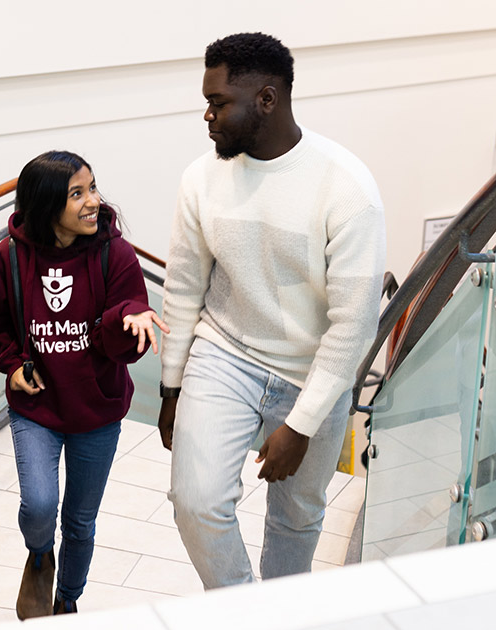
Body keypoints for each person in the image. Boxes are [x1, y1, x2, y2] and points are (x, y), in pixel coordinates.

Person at [158, 33, 386, 589]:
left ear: (267, 99)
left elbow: (354, 325)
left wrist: (302, 423)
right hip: (224, 354)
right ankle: (243, 614)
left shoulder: (347, 188)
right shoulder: (201, 179)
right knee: (196, 502)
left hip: (313, 374)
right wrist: (171, 388)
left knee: (297, 519)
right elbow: (185, 286)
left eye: (219, 103)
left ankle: (284, 621)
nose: (207, 116)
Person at [0, 151, 166, 619]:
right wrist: (14, 364)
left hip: (96, 412)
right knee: (39, 505)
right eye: (77, 194)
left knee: (80, 522)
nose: (93, 202)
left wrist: (129, 318)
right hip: (36, 409)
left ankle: (67, 598)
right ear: (46, 205)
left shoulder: (114, 253)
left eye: (93, 188)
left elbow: (125, 321)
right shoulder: (11, 255)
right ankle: (40, 555)